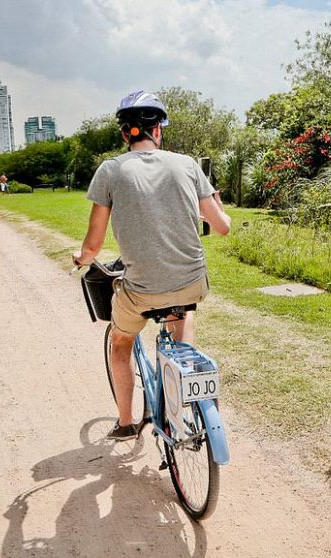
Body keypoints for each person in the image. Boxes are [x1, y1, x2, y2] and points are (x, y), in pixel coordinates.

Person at [73, 90, 231, 440]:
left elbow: (92, 246)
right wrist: (220, 209)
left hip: (142, 290)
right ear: (158, 130)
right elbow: (221, 227)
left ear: (124, 134)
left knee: (120, 342)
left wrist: (81, 258)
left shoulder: (110, 171)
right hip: (192, 283)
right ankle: (183, 376)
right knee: (182, 312)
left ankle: (126, 423)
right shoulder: (187, 165)